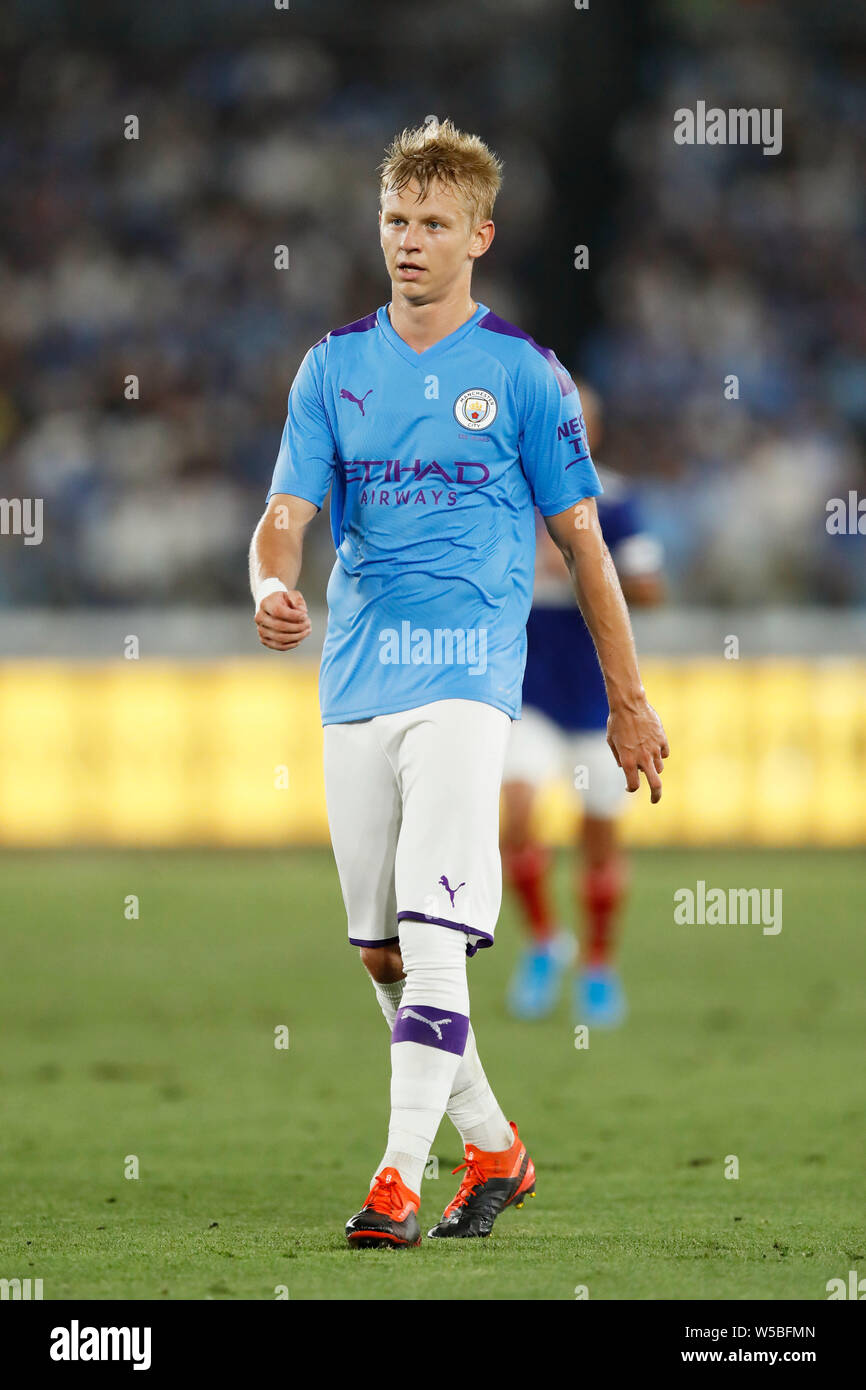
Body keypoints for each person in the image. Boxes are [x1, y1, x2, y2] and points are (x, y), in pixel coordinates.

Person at [249, 119, 668, 1249]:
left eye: (434, 223)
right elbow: (283, 519)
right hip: (353, 685)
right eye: (395, 220)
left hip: (469, 684)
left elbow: (583, 547)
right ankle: (492, 1146)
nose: (409, 241)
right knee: (383, 952)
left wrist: (629, 701)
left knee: (432, 937)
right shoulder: (332, 368)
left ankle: (393, 1182)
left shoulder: (526, 377)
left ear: (478, 235)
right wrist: (268, 584)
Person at [501, 382, 665, 1025]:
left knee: (598, 836)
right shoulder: (506, 495)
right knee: (516, 812)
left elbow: (651, 590)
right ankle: (545, 941)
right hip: (525, 691)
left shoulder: (615, 502)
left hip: (599, 699)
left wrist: (585, 567)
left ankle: (598, 965)